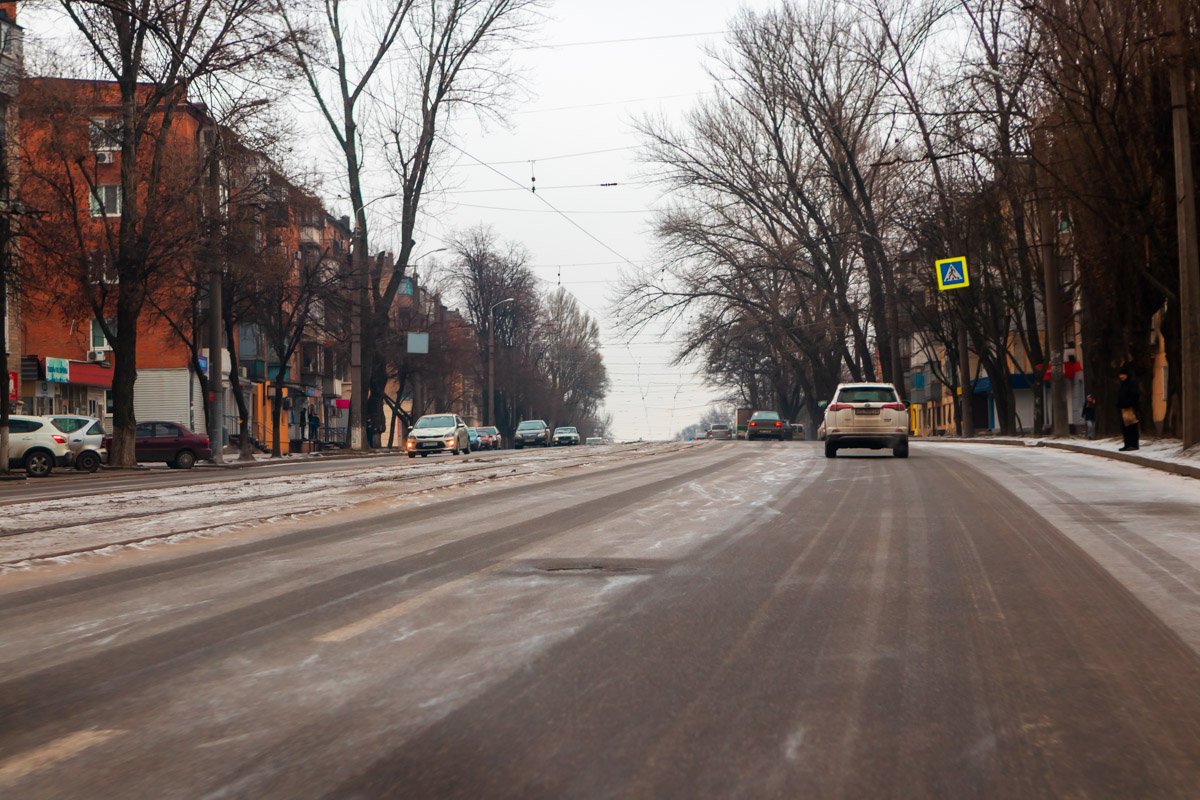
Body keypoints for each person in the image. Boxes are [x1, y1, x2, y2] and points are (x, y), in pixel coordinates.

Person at [1116, 363, 1139, 452]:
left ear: (1126, 375)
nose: (1121, 376)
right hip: (1123, 409)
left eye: (1122, 375)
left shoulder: (1131, 383)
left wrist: (1130, 405)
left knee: (1131, 427)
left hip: (1130, 408)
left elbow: (1135, 395)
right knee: (1125, 428)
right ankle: (1127, 444)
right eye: (1120, 375)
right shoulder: (1123, 384)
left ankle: (1133, 444)